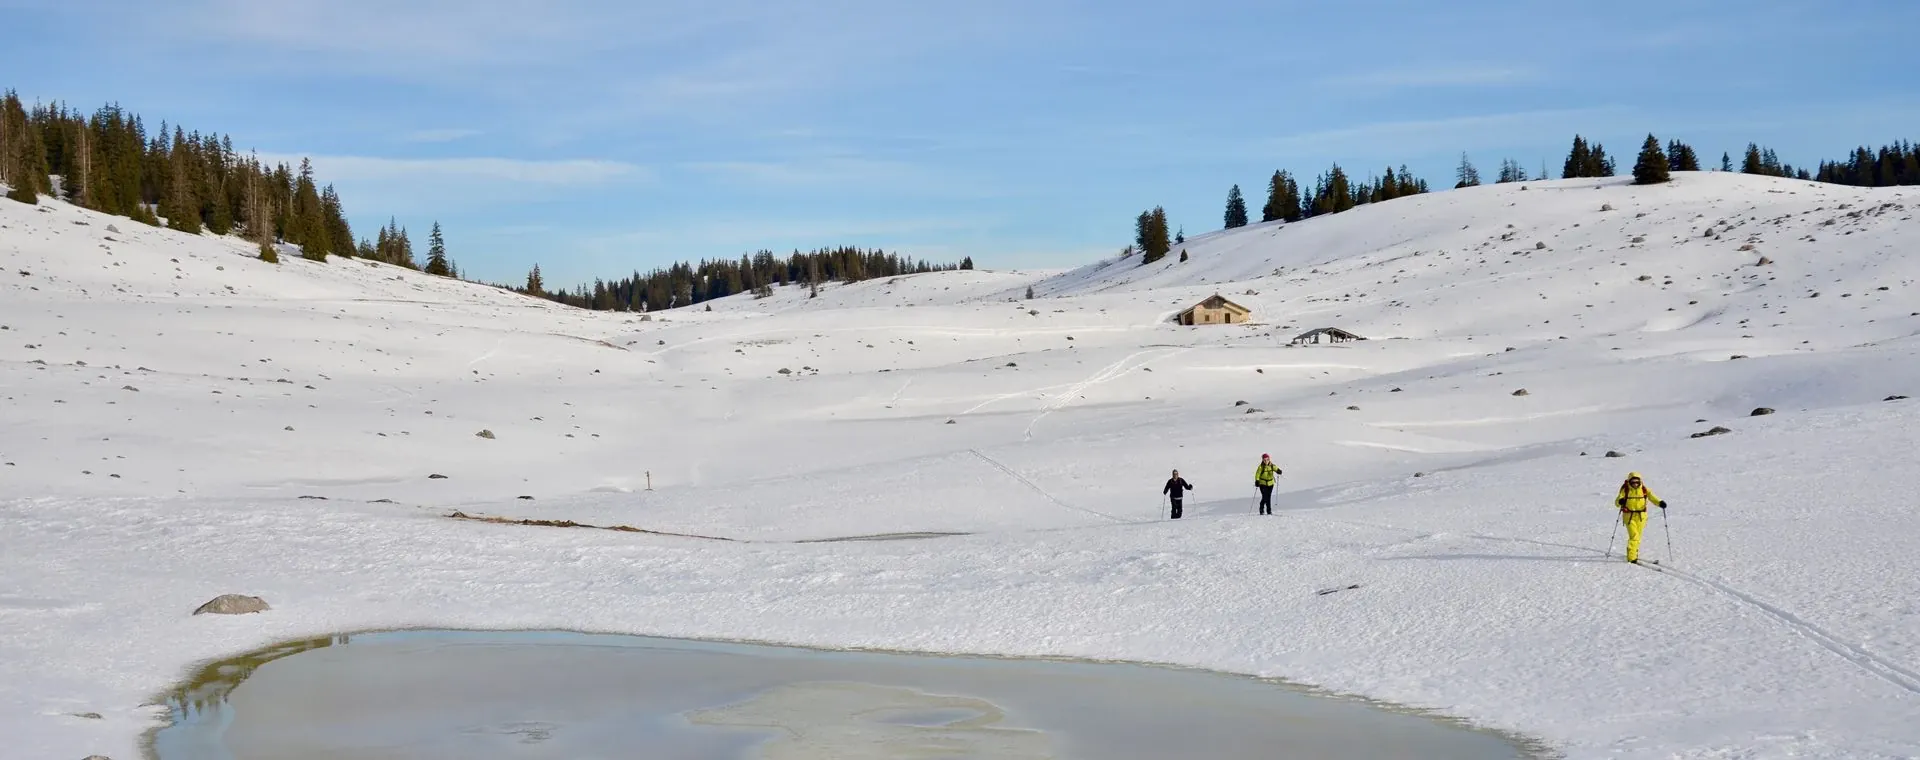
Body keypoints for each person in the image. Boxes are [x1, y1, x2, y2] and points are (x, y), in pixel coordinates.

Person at [1614, 472, 1668, 564]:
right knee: (1634, 536)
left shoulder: (1644, 489)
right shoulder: (1625, 490)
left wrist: (1660, 503)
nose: (1635, 483)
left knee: (1637, 537)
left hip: (1641, 517)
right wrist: (1620, 501)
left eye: (1637, 481)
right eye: (1633, 481)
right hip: (1629, 517)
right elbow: (1616, 503)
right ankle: (1631, 558)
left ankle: (1633, 552)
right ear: (1629, 481)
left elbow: (1652, 497)